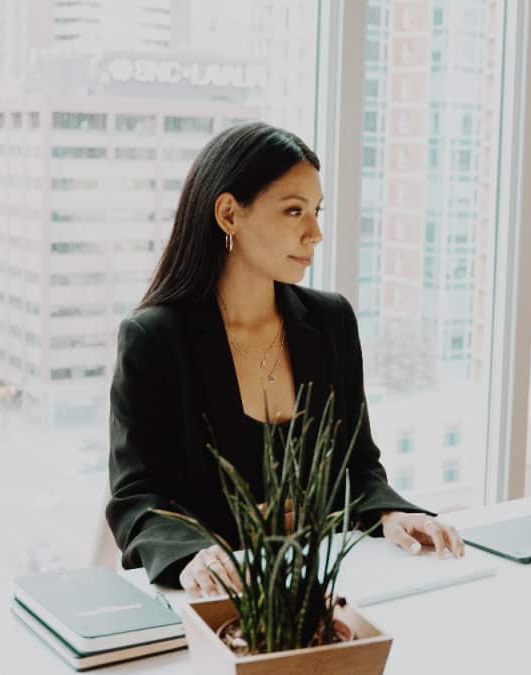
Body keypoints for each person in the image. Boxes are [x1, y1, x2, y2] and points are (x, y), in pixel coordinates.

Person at [106, 121, 465, 599]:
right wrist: (192, 553)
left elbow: (359, 465)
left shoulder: (331, 320)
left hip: (327, 587)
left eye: (316, 211)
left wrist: (388, 513)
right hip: (219, 598)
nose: (315, 233)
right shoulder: (155, 338)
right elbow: (136, 495)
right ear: (229, 214)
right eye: (294, 211)